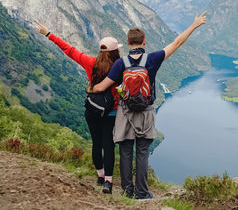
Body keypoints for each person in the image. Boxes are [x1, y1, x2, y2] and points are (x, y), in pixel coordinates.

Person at [89, 11, 207, 199]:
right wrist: (194, 25)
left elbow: (103, 86)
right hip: (146, 111)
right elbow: (177, 43)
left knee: (126, 150)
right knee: (142, 151)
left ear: (128, 43)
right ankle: (142, 193)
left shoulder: (121, 63)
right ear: (144, 42)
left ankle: (127, 192)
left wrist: (91, 90)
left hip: (125, 112)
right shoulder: (152, 59)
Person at [34, 21, 121, 194]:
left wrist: (48, 33)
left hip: (93, 109)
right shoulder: (119, 67)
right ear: (115, 52)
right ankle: (108, 183)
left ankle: (100, 176)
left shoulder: (90, 62)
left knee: (96, 143)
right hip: (111, 112)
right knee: (108, 145)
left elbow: (69, 50)